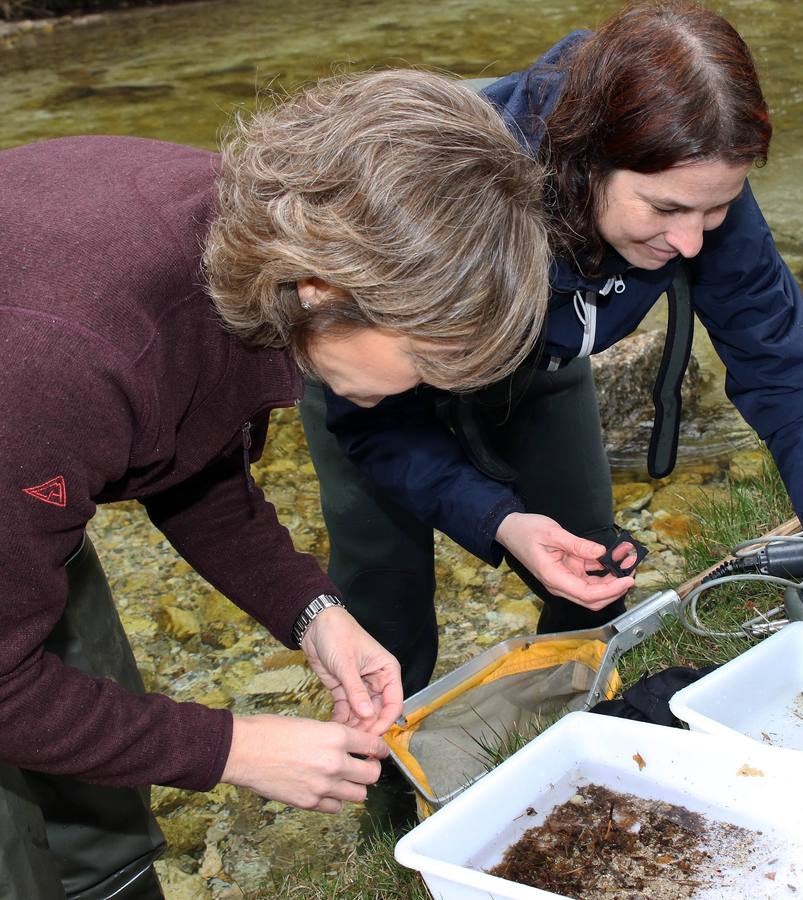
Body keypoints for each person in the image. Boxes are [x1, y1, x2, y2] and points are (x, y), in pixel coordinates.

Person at [299, 0, 803, 785]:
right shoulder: (455, 203)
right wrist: (497, 519)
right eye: (667, 210)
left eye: (715, 210)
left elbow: (787, 387)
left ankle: (566, 753)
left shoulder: (690, 172)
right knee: (384, 596)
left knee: (587, 565)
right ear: (588, 161)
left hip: (539, 364)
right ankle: (386, 799)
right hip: (383, 380)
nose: (689, 242)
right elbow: (377, 424)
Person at [0, 69, 549, 900]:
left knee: (99, 804)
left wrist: (315, 614)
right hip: (24, 418)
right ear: (327, 288)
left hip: (22, 479)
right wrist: (234, 748)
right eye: (427, 361)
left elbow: (185, 461)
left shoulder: (258, 248)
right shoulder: (63, 361)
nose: (430, 392)